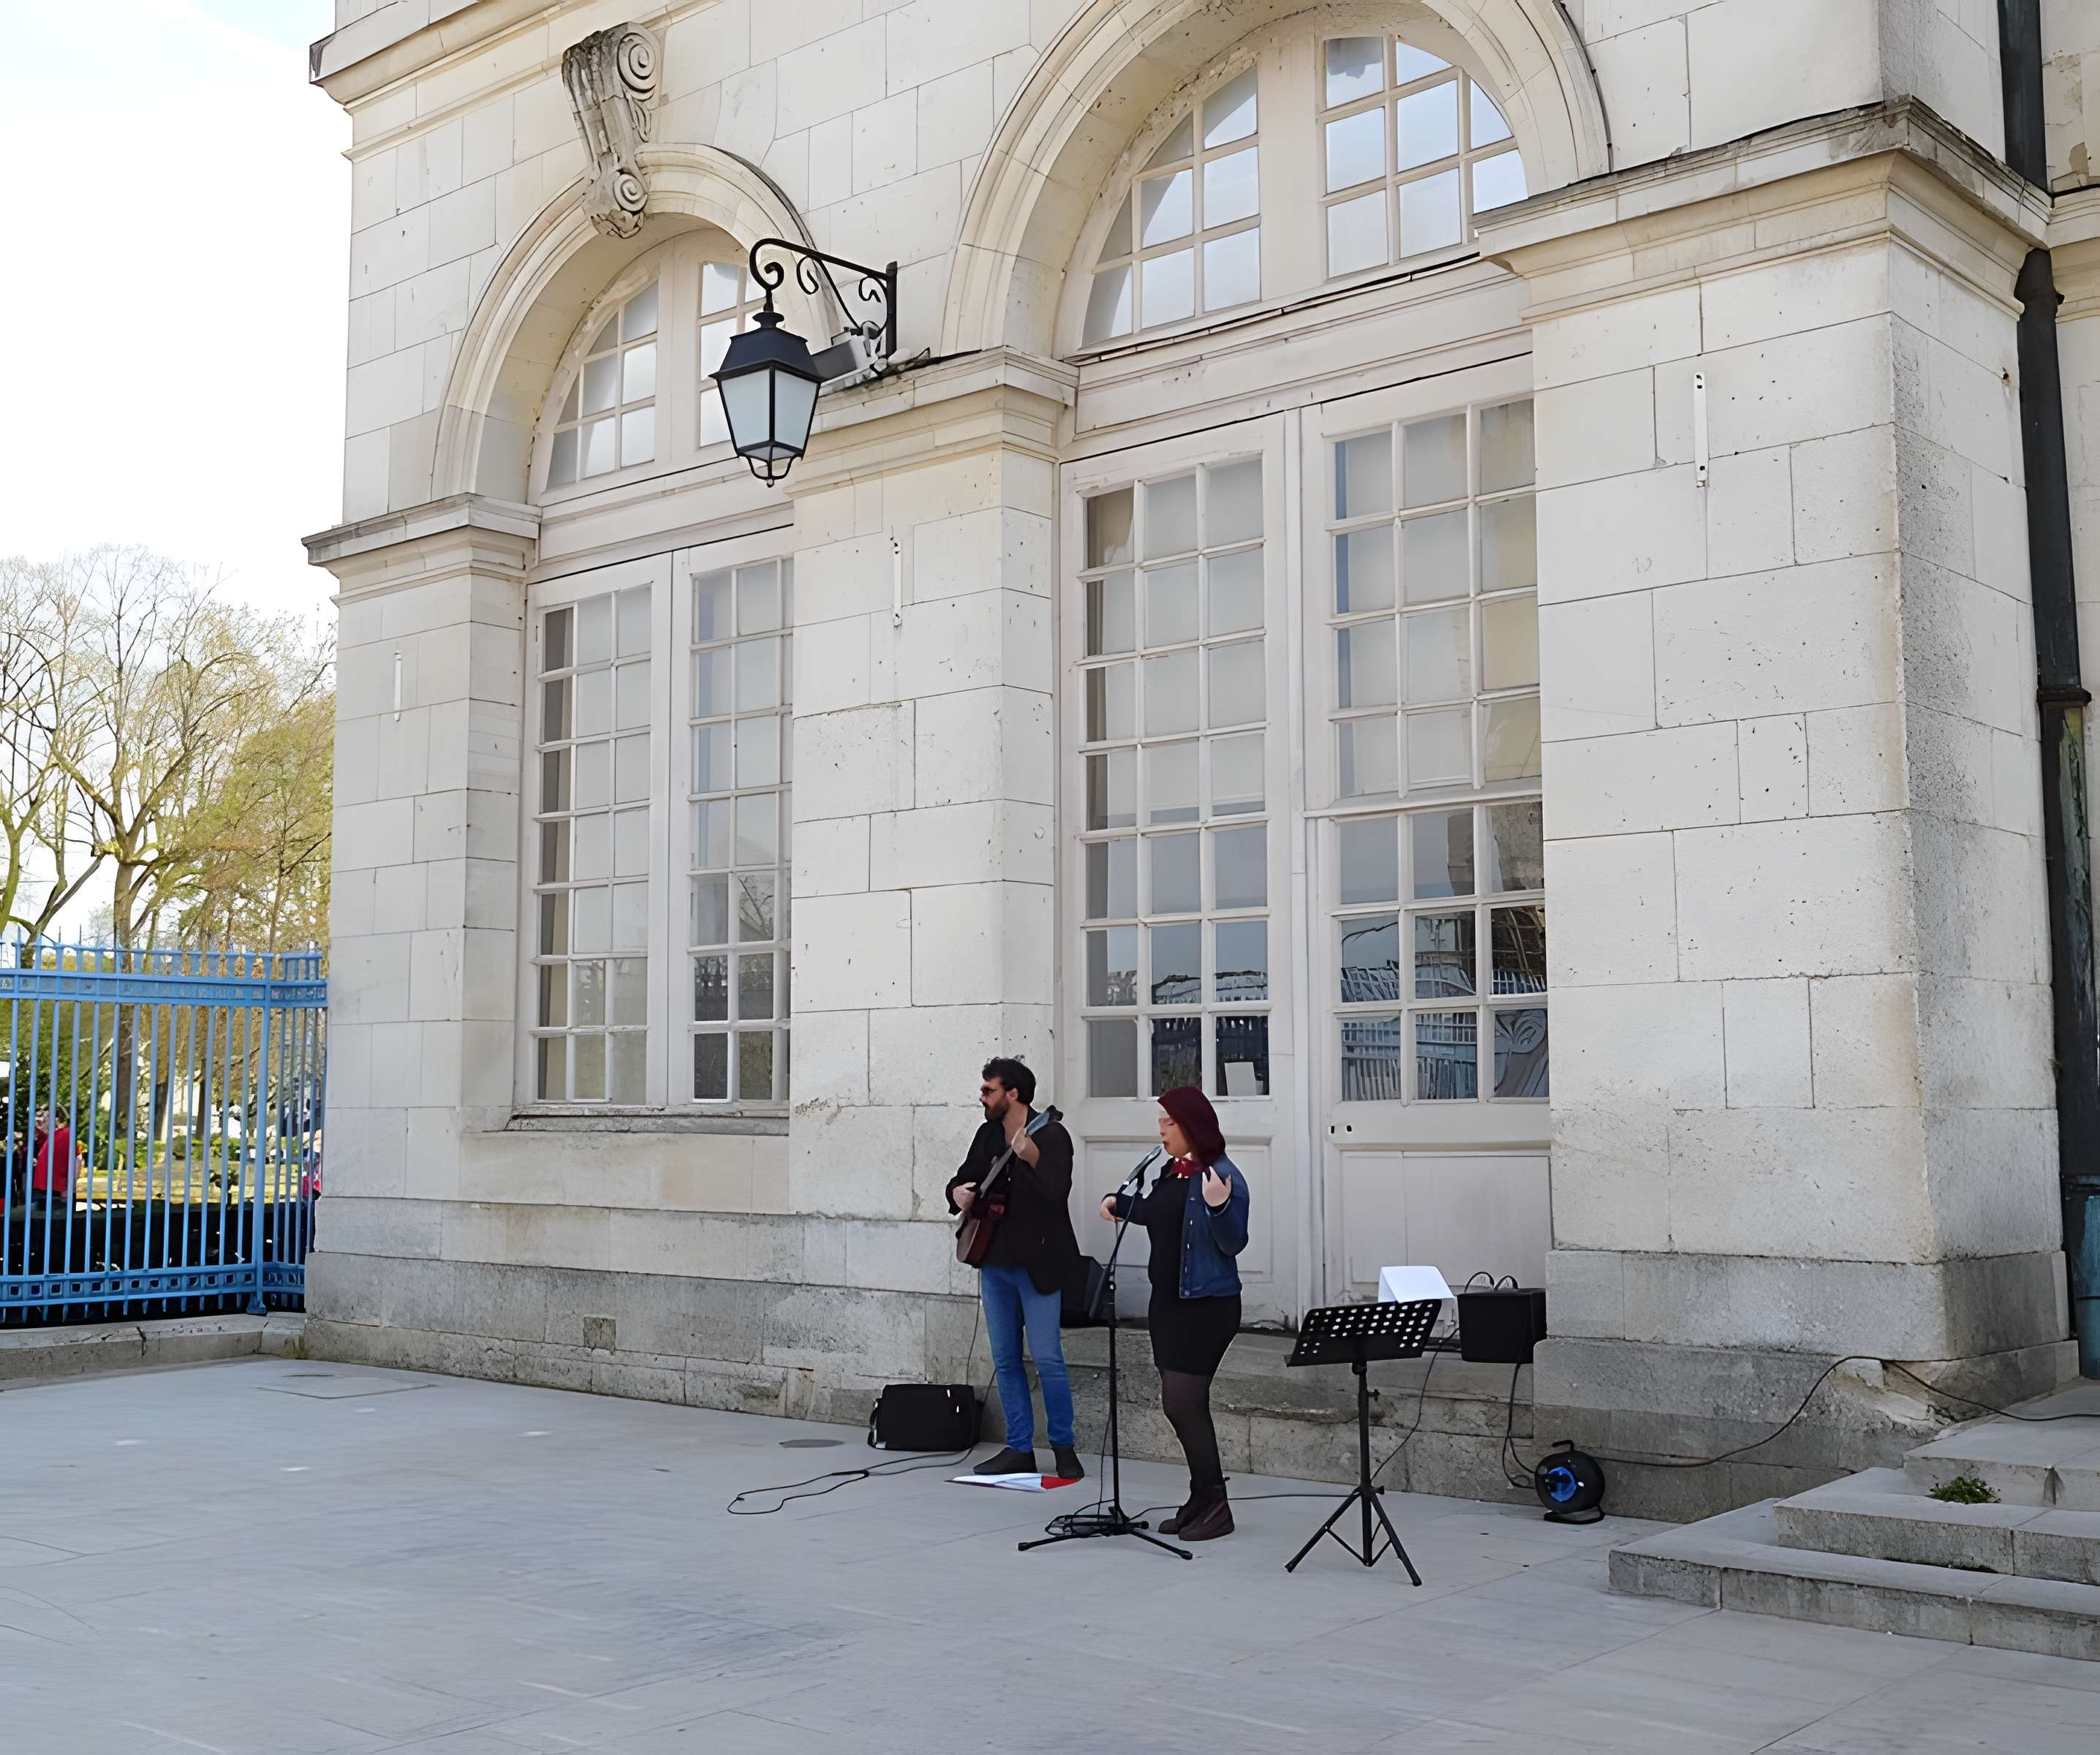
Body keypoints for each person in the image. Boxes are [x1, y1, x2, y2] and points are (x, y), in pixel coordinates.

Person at [1101, 1085, 1250, 1541]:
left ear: (1191, 1127)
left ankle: (1216, 1504)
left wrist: (1219, 1207)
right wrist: (1121, 1205)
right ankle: (1201, 1497)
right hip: (1167, 1305)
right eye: (1161, 1121)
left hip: (1205, 1308)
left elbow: (1233, 1241)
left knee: (1183, 1402)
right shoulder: (1172, 1171)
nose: (1161, 1129)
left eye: (1169, 1122)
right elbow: (1159, 1213)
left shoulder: (1221, 1176)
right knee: (1180, 1404)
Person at [948, 1057, 1085, 1481]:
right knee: (1006, 1359)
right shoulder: (987, 1134)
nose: (982, 1097)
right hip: (994, 1261)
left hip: (1039, 1262)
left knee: (1048, 1359)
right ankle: (1019, 1447)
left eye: (989, 1090)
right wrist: (957, 1193)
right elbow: (963, 1179)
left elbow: (1056, 1193)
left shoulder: (1053, 1135)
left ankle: (1064, 1448)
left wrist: (1032, 1157)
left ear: (1013, 1094)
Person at [29, 1107, 74, 1215]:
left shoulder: (65, 1134)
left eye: (46, 1117)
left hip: (55, 1189)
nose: (43, 1120)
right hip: (47, 1188)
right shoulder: (55, 1135)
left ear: (56, 1119)